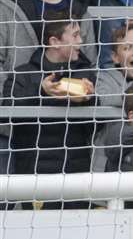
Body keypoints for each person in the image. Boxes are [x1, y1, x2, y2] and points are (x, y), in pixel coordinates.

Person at [5, 17, 100, 186]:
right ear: (55, 41)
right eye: (75, 35)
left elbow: (96, 126)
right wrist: (40, 92)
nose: (81, 41)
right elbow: (7, 113)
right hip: (32, 173)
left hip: (75, 173)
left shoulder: (85, 75)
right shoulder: (22, 74)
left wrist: (89, 99)